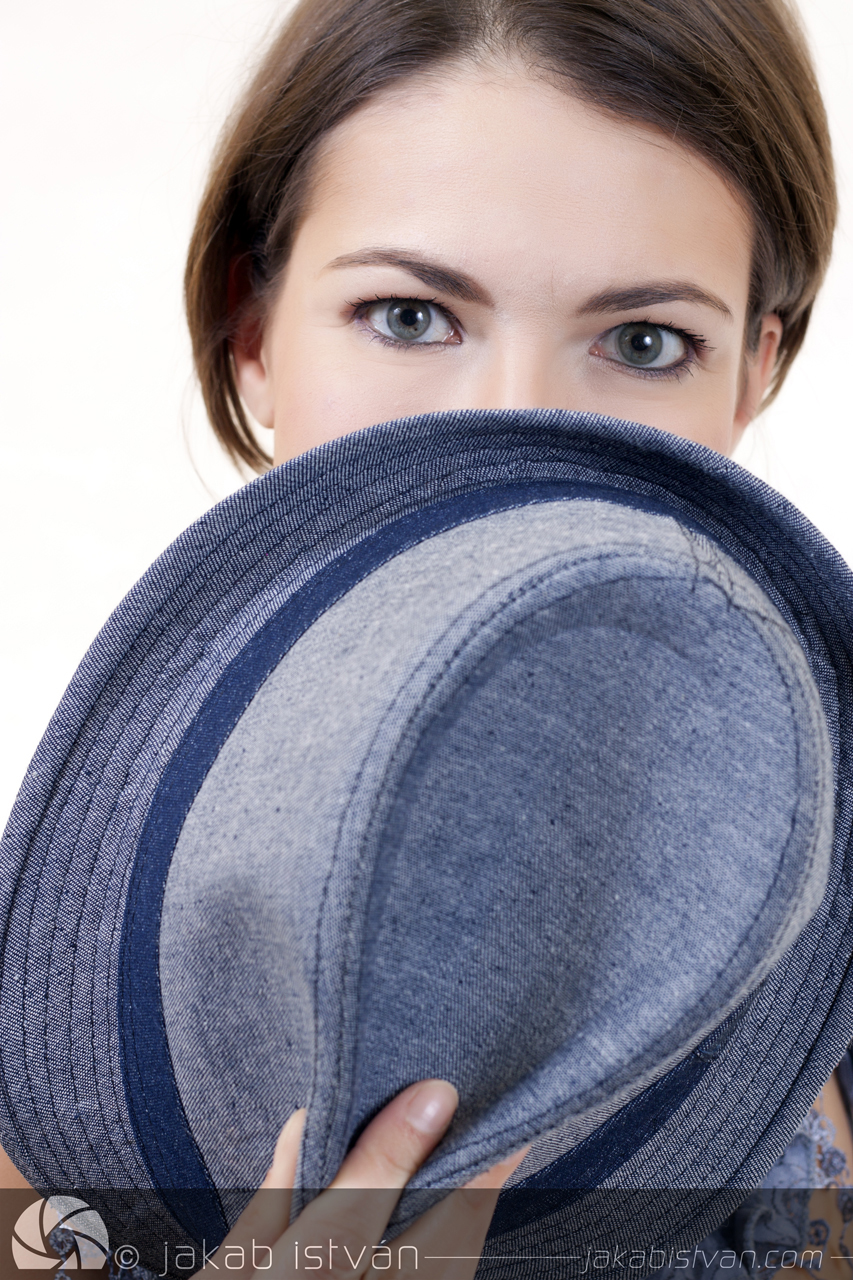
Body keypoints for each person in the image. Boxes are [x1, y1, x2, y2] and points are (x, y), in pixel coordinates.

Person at [0, 0, 844, 1274]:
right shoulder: (38, 1111)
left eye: (643, 342)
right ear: (251, 331)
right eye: (408, 315)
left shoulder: (818, 921)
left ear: (751, 374)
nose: (518, 429)